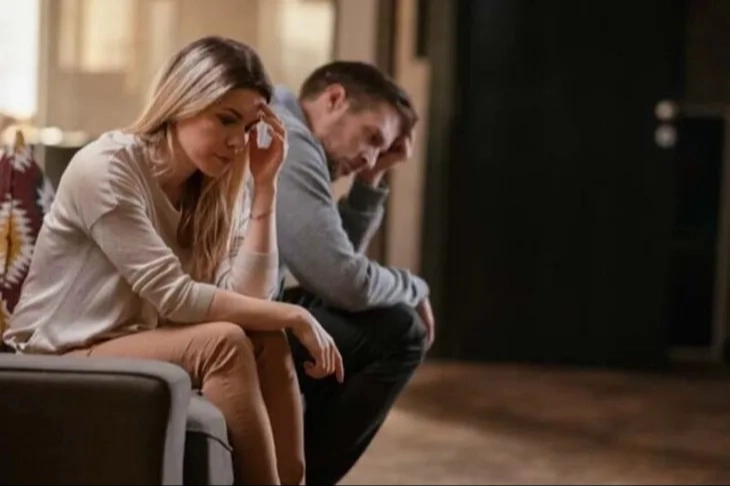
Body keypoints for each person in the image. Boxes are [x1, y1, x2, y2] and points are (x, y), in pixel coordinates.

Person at [3, 36, 344, 486]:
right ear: (184, 100)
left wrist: (266, 187)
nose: (237, 142)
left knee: (267, 337)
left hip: (131, 341)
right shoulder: (107, 168)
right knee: (223, 343)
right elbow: (176, 297)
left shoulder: (218, 184)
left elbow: (248, 299)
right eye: (225, 119)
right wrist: (295, 313)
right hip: (55, 353)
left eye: (247, 127)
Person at [270, 61, 436, 485]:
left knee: (357, 319)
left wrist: (372, 177)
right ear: (334, 99)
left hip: (247, 304)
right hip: (217, 316)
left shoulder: (292, 131)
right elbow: (346, 282)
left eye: (382, 151)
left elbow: (331, 270)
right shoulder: (290, 139)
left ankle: (290, 470)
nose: (370, 157)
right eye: (373, 138)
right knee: (400, 333)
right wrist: (414, 287)